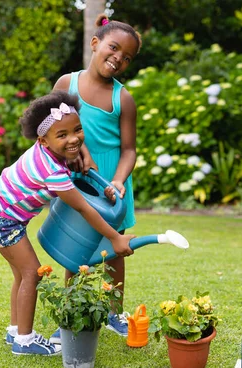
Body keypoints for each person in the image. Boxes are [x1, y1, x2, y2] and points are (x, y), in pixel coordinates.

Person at [0, 90, 135, 356]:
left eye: (78, 130)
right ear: (43, 140)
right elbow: (83, 207)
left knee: (20, 274)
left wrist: (95, 175)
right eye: (63, 135)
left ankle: (16, 331)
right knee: (31, 273)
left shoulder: (48, 153)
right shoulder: (52, 171)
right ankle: (25, 341)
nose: (74, 139)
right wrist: (115, 237)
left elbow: (74, 160)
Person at [52, 13, 142, 341]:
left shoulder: (123, 99)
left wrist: (118, 180)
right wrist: (68, 156)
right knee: (72, 249)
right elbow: (49, 128)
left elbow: (129, 150)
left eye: (127, 57)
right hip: (76, 180)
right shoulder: (67, 84)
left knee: (114, 252)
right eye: (114, 48)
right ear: (95, 43)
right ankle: (70, 313)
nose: (118, 58)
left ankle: (114, 313)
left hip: (111, 186)